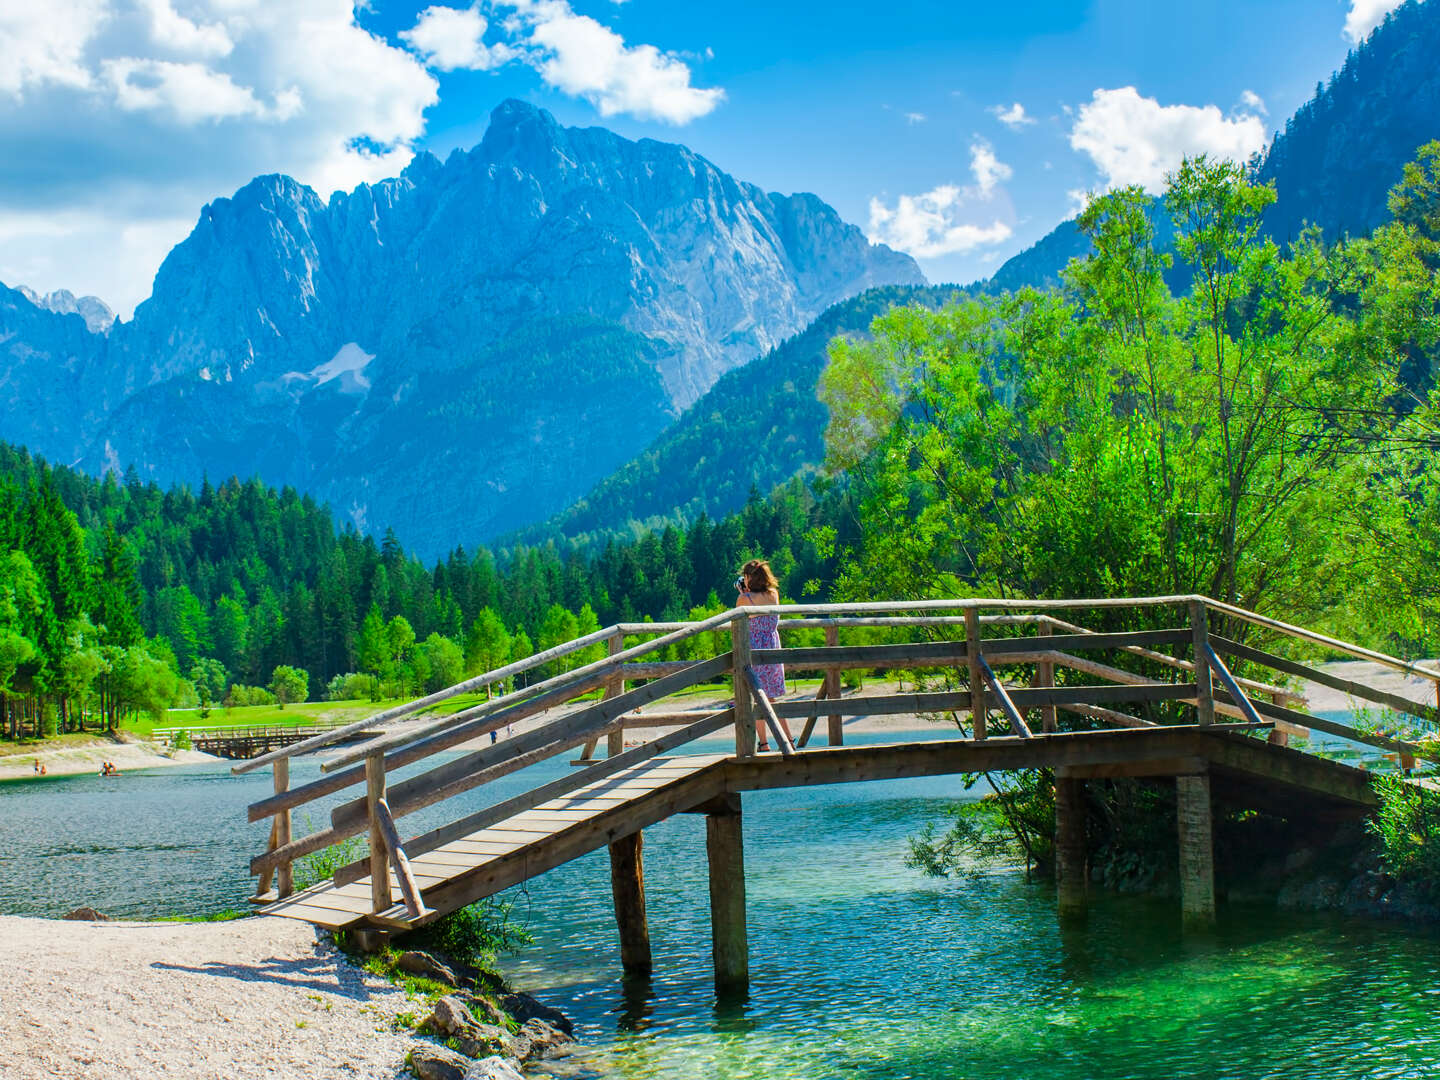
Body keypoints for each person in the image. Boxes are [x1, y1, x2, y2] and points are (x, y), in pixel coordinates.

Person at [735, 559, 794, 752]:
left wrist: (743, 594)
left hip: (753, 648)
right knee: (772, 697)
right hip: (772, 646)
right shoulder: (773, 594)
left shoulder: (745, 599)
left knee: (756, 697)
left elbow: (739, 619)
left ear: (748, 577)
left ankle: (764, 743)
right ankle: (788, 740)